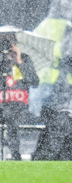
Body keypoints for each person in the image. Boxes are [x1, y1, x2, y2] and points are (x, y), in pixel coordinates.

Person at [30, 0, 72, 160]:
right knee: (60, 120)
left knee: (48, 120)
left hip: (42, 80)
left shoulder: (42, 25)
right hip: (61, 81)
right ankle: (51, 154)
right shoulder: (66, 26)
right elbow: (71, 55)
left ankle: (41, 153)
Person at [0, 31, 39, 160]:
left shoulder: (25, 59)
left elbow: (34, 81)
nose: (10, 46)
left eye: (12, 42)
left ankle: (15, 155)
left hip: (18, 106)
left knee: (12, 121)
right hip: (2, 103)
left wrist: (19, 61)